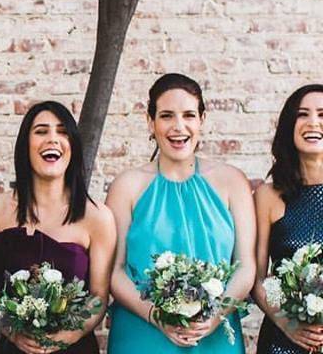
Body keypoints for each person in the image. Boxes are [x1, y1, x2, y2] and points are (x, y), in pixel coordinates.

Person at [106, 73, 255, 353]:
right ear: (150, 122)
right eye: (166, 116)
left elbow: (246, 265)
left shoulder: (232, 182)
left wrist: (214, 316)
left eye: (188, 115)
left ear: (202, 120)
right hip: (142, 332)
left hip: (213, 335)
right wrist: (156, 316)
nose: (178, 126)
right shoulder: (126, 186)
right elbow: (114, 271)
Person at [0, 101, 115, 354]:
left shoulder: (97, 216)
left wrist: (61, 339)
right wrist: (13, 333)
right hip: (12, 347)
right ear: (25, 145)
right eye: (41, 131)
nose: (52, 139)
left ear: (72, 145)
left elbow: (99, 296)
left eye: (62, 132)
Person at [253, 84, 323, 354]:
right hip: (283, 340)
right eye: (302, 114)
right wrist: (287, 321)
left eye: (322, 114)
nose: (313, 122)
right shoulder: (268, 196)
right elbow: (259, 279)